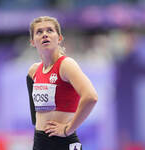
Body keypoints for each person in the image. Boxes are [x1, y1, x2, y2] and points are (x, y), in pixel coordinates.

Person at [27, 16, 98, 150]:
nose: (45, 35)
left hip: (63, 141)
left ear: (59, 38)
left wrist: (68, 129)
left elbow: (91, 97)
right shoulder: (33, 71)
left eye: (50, 30)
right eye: (39, 32)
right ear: (32, 42)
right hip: (40, 142)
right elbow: (35, 115)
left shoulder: (66, 65)